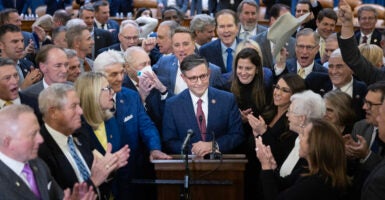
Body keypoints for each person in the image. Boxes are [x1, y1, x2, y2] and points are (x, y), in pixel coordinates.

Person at [93, 50, 171, 199]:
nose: (120, 78)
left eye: (121, 73)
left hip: (132, 176)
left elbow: (147, 126)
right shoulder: (89, 103)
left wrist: (154, 148)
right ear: (98, 77)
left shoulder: (131, 96)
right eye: (113, 74)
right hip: (104, 180)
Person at [37, 83, 129, 199]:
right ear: (53, 113)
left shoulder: (81, 133)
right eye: (73, 106)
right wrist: (93, 181)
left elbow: (97, 175)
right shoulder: (39, 150)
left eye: (79, 105)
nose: (80, 111)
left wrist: (109, 168)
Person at [0, 104, 96, 200]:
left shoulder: (38, 164)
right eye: (33, 134)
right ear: (7, 142)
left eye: (38, 132)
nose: (40, 139)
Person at [162, 54, 244, 156]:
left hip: (222, 165)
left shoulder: (227, 99)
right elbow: (169, 141)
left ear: (209, 73)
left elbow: (237, 135)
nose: (199, 82)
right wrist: (194, 150)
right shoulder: (173, 105)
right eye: (193, 78)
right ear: (183, 78)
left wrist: (213, 145)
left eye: (203, 76)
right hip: (188, 165)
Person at [256, 118, 350, 199]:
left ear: (314, 146)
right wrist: (272, 168)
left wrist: (265, 166)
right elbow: (283, 185)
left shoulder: (315, 183)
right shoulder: (308, 169)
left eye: (303, 135)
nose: (299, 138)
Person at [343, 81, 385, 200]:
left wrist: (366, 155)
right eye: (365, 102)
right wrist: (349, 153)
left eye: (370, 104)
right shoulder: (360, 126)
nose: (364, 107)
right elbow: (351, 170)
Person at [153, 26, 224, 96]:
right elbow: (143, 73)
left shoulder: (213, 70)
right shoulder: (164, 62)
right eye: (177, 45)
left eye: (185, 44)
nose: (181, 49)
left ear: (194, 44)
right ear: (172, 47)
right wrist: (146, 51)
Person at [337, 0, 385, 85]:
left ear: (376, 20)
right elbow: (352, 57)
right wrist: (347, 24)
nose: (367, 21)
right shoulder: (352, 36)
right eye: (364, 18)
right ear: (358, 20)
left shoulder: (381, 37)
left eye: (370, 18)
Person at [123, 46, 168, 131]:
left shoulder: (159, 82)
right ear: (128, 67)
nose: (148, 68)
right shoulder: (121, 88)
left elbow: (169, 113)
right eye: (143, 64)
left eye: (149, 63)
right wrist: (142, 99)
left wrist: (163, 90)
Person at [0, 24, 41, 89]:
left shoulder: (29, 65)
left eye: (22, 41)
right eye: (15, 42)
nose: (21, 46)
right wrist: (24, 87)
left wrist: (36, 84)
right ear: (1, 45)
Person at [199, 9, 240, 74]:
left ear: (237, 27)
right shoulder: (205, 51)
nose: (226, 30)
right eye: (221, 26)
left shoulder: (248, 47)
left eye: (229, 26)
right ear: (216, 29)